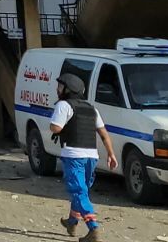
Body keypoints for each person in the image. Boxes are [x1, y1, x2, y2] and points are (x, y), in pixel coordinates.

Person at [49, 73, 117, 241]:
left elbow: (55, 128)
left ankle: (93, 229)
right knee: (82, 191)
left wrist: (58, 124)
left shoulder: (63, 105)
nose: (57, 89)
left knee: (78, 192)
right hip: (91, 157)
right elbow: (104, 134)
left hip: (74, 156)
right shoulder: (91, 108)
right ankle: (72, 222)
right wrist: (111, 154)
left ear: (68, 89)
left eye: (60, 86)